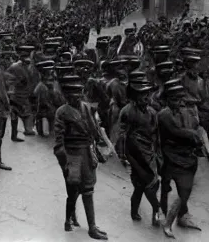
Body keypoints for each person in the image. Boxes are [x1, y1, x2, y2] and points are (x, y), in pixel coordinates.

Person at [53, 74, 107, 240]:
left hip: (87, 152)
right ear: (66, 95)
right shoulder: (62, 112)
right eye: (71, 93)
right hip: (72, 154)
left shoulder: (87, 108)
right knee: (73, 190)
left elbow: (95, 129)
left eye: (78, 92)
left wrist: (100, 146)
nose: (75, 95)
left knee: (88, 189)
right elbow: (59, 144)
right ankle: (68, 219)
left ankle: (92, 227)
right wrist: (66, 164)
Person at [158, 78, 203, 238]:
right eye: (173, 99)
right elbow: (176, 132)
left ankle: (181, 217)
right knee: (169, 189)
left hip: (186, 155)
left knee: (185, 190)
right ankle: (167, 221)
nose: (177, 102)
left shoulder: (186, 112)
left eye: (179, 98)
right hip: (170, 156)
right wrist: (192, 135)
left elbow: (194, 126)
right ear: (167, 99)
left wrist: (193, 135)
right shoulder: (164, 115)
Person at [117, 71, 163, 226]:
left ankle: (137, 211)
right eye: (142, 94)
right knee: (145, 184)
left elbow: (156, 134)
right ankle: (156, 210)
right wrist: (123, 156)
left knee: (144, 186)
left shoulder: (152, 112)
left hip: (149, 153)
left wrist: (158, 153)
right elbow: (122, 135)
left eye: (147, 93)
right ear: (135, 95)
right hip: (135, 155)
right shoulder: (127, 112)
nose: (146, 97)